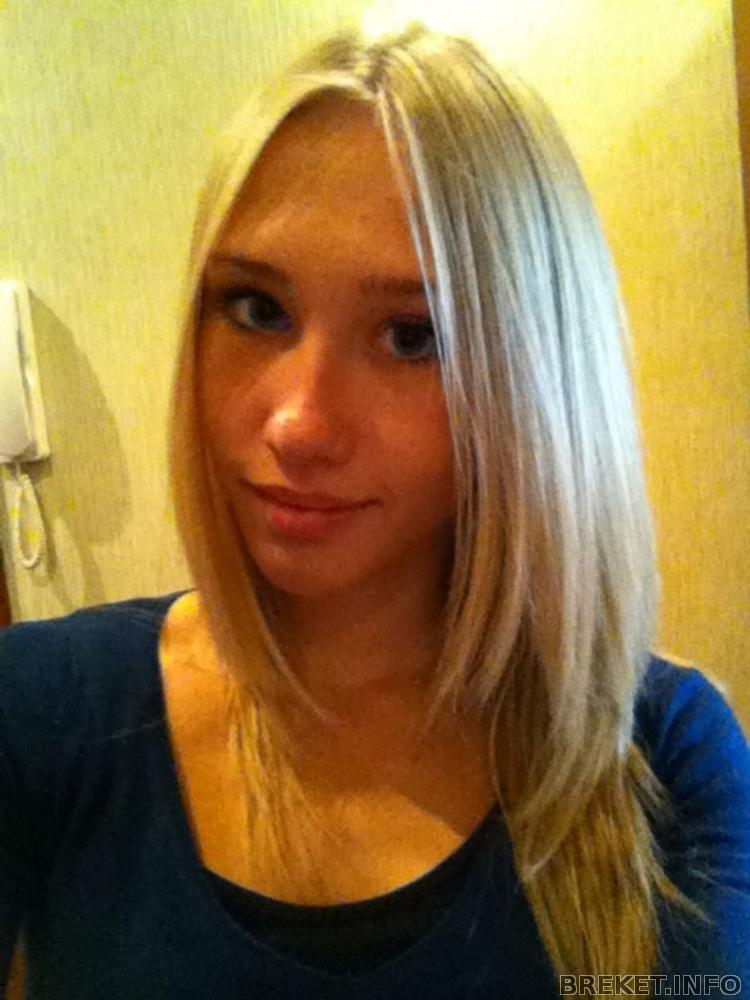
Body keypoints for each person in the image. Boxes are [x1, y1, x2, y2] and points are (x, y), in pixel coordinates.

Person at [1, 22, 749, 999]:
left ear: (536, 383)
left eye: (410, 335)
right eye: (258, 309)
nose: (298, 423)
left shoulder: (664, 761)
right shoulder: (41, 711)